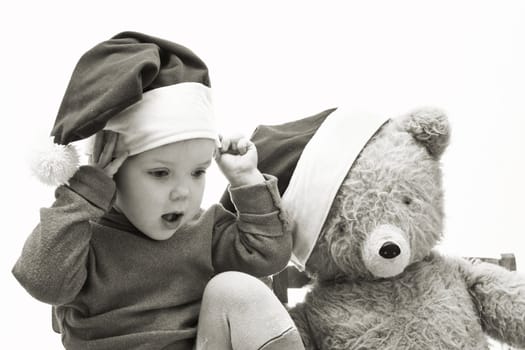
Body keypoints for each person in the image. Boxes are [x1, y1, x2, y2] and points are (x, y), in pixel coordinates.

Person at [12, 31, 304, 350]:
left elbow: (269, 256)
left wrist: (246, 179)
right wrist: (84, 192)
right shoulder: (82, 241)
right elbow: (43, 281)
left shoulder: (204, 231)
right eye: (160, 173)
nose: (183, 192)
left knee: (237, 290)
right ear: (110, 169)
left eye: (198, 172)